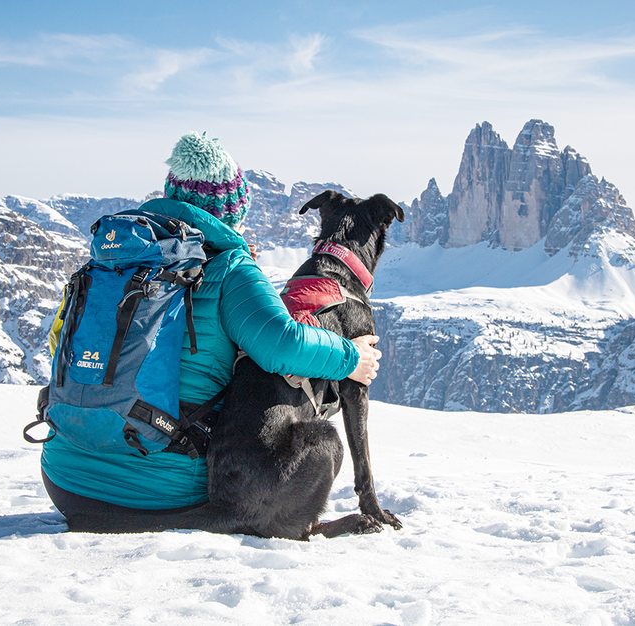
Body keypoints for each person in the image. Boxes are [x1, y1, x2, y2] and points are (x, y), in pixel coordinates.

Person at [40, 131, 381, 528]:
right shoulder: (229, 268)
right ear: (230, 210)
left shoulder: (111, 261)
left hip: (65, 482)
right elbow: (283, 344)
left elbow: (57, 348)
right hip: (160, 491)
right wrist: (351, 357)